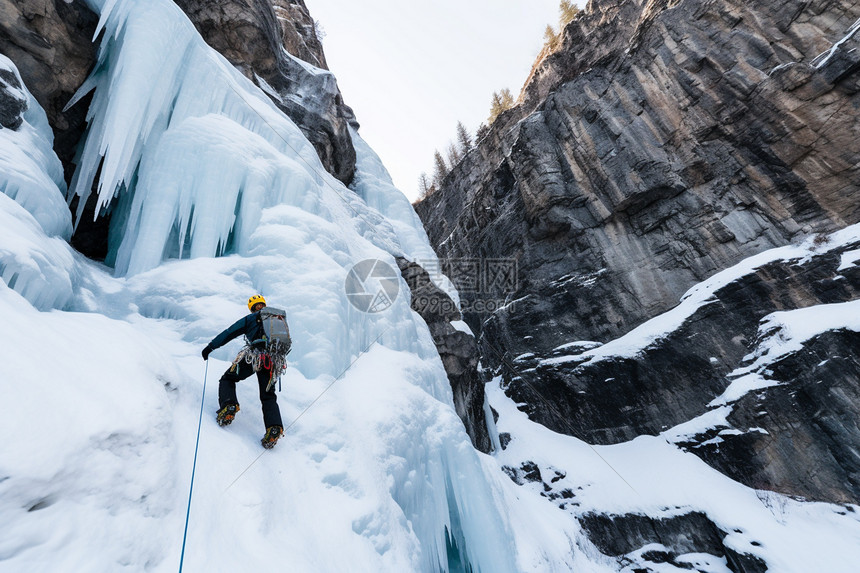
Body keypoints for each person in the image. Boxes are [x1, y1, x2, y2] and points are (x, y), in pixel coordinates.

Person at [202, 294, 284, 449]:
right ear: (264, 305)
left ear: (252, 307)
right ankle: (273, 428)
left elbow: (229, 332)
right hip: (273, 361)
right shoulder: (276, 319)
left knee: (228, 378)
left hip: (254, 356)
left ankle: (229, 405)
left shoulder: (250, 319)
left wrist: (210, 347)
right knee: (268, 396)